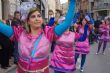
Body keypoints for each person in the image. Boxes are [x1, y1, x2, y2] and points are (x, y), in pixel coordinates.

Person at [0, 0, 77, 73]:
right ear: (28, 21)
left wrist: (73, 1)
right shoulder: (19, 33)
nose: (37, 18)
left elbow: (67, 23)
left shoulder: (49, 33)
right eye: (33, 16)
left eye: (39, 16)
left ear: (42, 19)